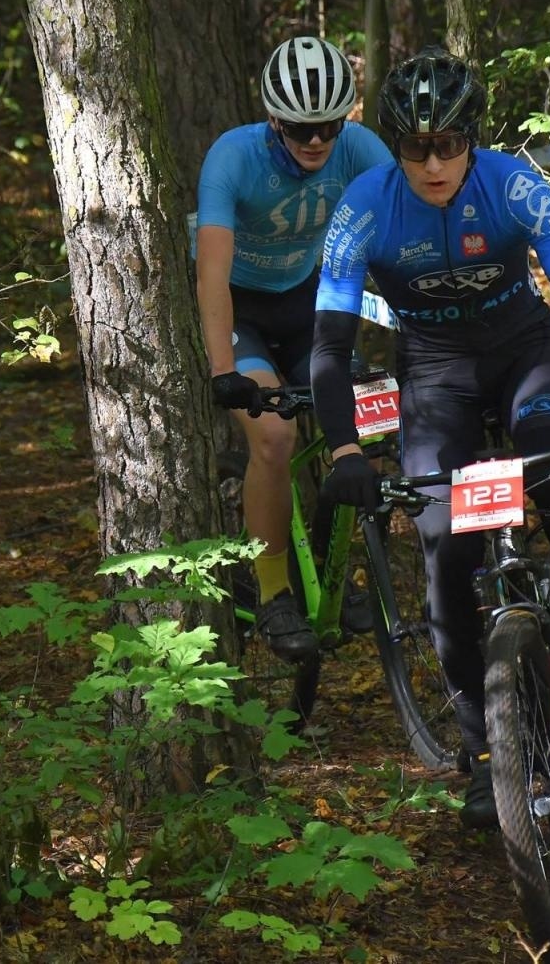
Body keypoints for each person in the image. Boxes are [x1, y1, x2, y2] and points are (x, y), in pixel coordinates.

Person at [310, 47, 550, 828]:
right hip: (435, 380)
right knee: (443, 545)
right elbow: (328, 347)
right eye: (415, 149)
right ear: (395, 147)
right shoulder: (365, 206)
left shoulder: (512, 183)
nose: (433, 164)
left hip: (523, 357)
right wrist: (344, 453)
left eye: (448, 145)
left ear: (473, 136)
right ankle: (484, 751)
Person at [196, 35, 394, 661]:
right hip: (244, 311)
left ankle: (347, 570)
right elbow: (211, 272)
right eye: (303, 128)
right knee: (276, 438)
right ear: (275, 120)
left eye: (329, 127)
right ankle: (275, 590)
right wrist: (225, 371)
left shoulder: (360, 151)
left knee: (368, 422)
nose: (316, 141)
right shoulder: (233, 159)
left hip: (308, 304)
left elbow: (401, 234)